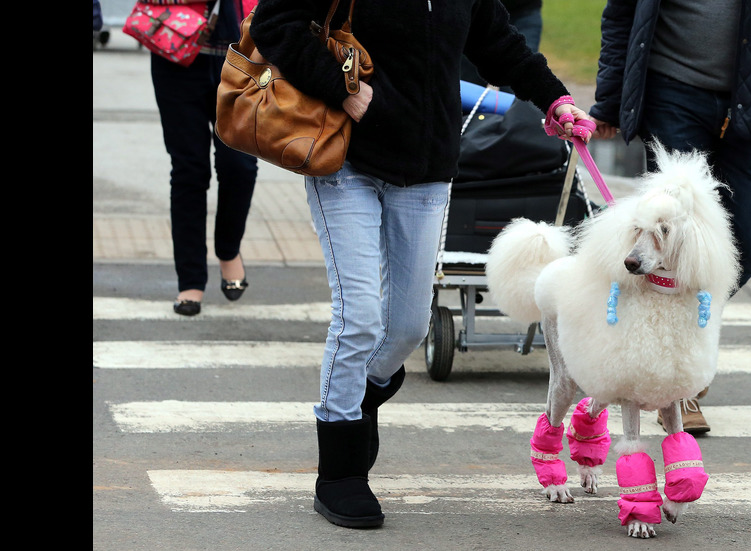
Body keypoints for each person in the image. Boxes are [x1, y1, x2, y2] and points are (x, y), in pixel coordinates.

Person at [248, 0, 593, 529]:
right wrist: (344, 88)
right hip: (345, 160)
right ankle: (339, 473)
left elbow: (497, 41)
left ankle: (357, 401)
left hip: (427, 167)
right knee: (359, 316)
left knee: (407, 326)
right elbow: (276, 22)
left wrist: (555, 99)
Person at [589, 0, 751, 433]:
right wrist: (610, 100)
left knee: (749, 242)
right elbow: (622, 14)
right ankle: (676, 385)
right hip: (671, 92)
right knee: (671, 244)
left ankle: (685, 346)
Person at [150, 0, 260, 316]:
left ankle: (228, 249)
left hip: (242, 57)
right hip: (176, 50)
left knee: (239, 164)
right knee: (188, 169)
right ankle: (191, 278)